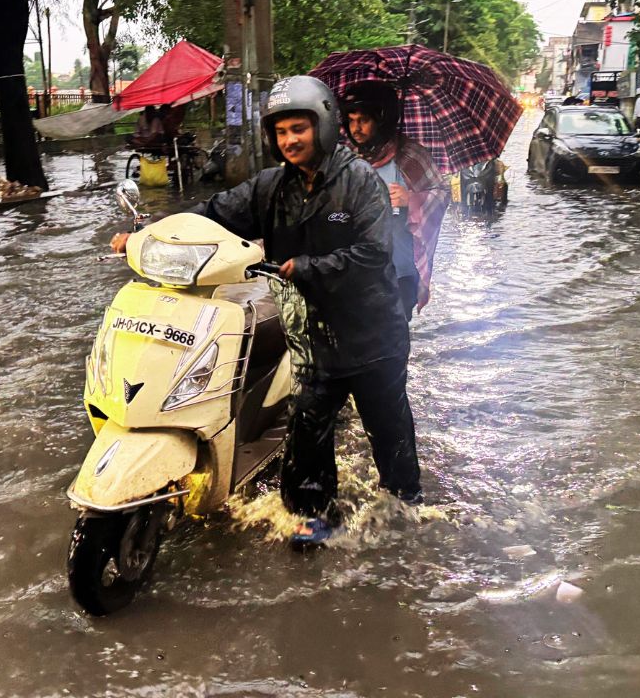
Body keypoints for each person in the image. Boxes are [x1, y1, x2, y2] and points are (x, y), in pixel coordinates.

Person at [110, 76, 422, 544]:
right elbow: (213, 212)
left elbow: (373, 255)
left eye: (300, 128)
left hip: (372, 332)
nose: (290, 140)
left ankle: (404, 503)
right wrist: (149, 234)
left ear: (325, 125)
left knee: (388, 424)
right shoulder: (271, 186)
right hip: (312, 338)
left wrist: (308, 267)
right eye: (280, 132)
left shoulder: (361, 183)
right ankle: (315, 513)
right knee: (308, 427)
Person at [340, 82, 448, 319]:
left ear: (382, 119)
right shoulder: (346, 160)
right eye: (351, 120)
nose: (355, 128)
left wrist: (412, 199)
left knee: (393, 342)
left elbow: (441, 194)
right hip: (357, 272)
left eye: (363, 120)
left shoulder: (410, 156)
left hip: (400, 272)